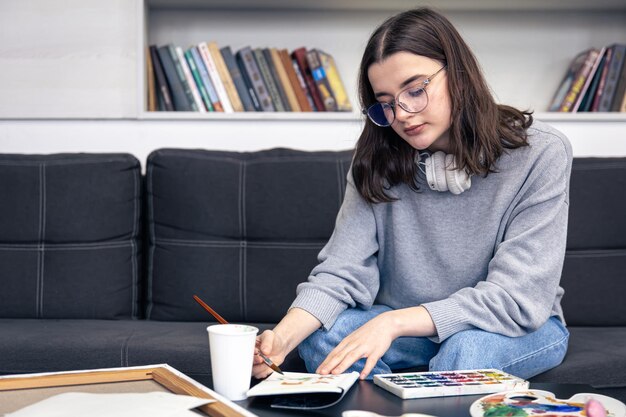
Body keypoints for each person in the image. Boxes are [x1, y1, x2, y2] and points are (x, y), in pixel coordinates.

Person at [253, 7, 572, 381]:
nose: (402, 114)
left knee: (465, 351)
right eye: (385, 103)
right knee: (321, 338)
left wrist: (391, 323)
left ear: (460, 75)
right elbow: (340, 273)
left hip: (510, 328)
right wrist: (281, 338)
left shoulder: (541, 153)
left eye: (415, 90)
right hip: (410, 330)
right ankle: (392, 398)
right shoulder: (374, 160)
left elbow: (517, 297)